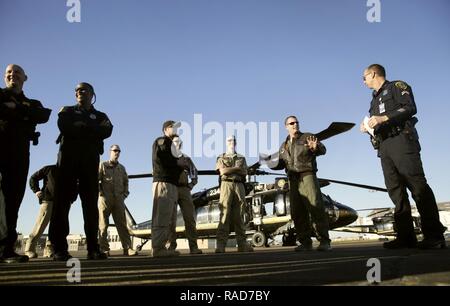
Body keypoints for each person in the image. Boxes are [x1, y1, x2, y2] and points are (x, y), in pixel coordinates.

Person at [360, 64, 446, 249]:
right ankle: (406, 236)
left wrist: (384, 118)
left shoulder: (397, 86)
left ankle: (434, 235)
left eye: (364, 77)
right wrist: (368, 128)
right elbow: (377, 123)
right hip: (385, 146)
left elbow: (409, 108)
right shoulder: (373, 100)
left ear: (373, 73)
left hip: (402, 141)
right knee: (395, 191)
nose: (363, 81)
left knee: (416, 185)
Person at [49, 82, 113, 261]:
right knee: (61, 204)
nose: (79, 92)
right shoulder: (67, 111)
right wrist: (92, 130)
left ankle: (93, 248)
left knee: (90, 205)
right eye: (77, 90)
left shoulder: (101, 115)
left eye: (83, 90)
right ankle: (58, 249)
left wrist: (82, 126)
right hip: (68, 162)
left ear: (92, 94)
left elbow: (107, 130)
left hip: (89, 163)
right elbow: (65, 127)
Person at [0, 64, 51, 263]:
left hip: (20, 153)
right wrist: (24, 113)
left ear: (25, 78)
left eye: (17, 72)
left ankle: (6, 249)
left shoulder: (32, 102)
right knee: (2, 197)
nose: (12, 75)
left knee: (13, 200)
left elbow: (43, 115)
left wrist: (16, 108)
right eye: (8, 73)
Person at [266, 116, 331, 251]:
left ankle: (324, 241)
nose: (295, 124)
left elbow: (323, 150)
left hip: (307, 175)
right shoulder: (283, 146)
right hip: (292, 180)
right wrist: (268, 162)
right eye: (292, 123)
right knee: (297, 212)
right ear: (286, 126)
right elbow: (282, 163)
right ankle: (305, 242)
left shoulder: (307, 137)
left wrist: (315, 147)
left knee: (316, 207)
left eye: (296, 122)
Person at [151, 121, 186, 257]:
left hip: (172, 184)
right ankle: (158, 248)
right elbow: (161, 157)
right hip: (163, 182)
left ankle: (163, 247)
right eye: (173, 127)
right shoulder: (162, 141)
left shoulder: (172, 146)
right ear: (166, 129)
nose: (176, 129)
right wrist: (178, 162)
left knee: (169, 217)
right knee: (162, 216)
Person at [215, 135, 254, 253]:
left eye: (234, 140)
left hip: (239, 185)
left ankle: (242, 244)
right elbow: (222, 171)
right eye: (229, 140)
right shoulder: (220, 157)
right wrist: (236, 169)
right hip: (226, 185)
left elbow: (244, 172)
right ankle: (221, 245)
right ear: (226, 142)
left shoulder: (241, 158)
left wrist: (229, 169)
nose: (232, 142)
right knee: (225, 214)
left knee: (240, 215)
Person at [98, 144, 138, 257]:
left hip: (119, 199)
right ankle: (104, 249)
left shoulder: (122, 168)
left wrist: (125, 194)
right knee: (103, 224)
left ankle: (127, 248)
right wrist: (100, 193)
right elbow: (97, 179)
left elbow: (126, 182)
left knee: (122, 224)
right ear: (110, 152)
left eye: (119, 151)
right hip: (105, 198)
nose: (117, 153)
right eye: (115, 150)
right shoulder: (103, 165)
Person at [168, 135, 202, 255]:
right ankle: (171, 247)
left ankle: (193, 247)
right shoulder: (167, 158)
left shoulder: (186, 158)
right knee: (170, 219)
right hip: (171, 189)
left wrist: (192, 184)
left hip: (184, 189)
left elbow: (194, 171)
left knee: (190, 218)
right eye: (175, 142)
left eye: (179, 142)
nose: (178, 144)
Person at [24, 165, 58, 259]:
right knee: (41, 224)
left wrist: (72, 198)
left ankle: (49, 250)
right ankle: (29, 249)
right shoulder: (49, 169)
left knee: (56, 227)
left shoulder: (69, 170)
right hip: (48, 200)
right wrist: (37, 191)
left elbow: (75, 184)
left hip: (62, 203)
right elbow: (33, 178)